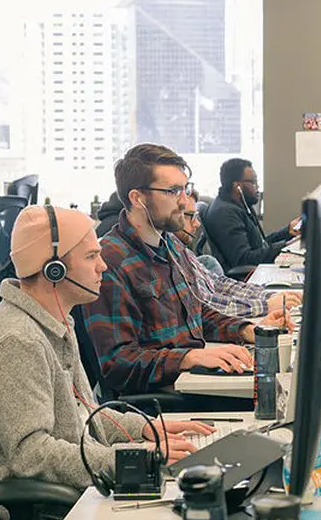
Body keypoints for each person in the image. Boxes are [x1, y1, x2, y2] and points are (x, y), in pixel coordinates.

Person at [0, 205, 211, 492]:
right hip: (51, 507)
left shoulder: (56, 319)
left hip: (84, 479)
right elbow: (31, 456)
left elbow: (84, 414)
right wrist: (135, 459)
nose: (103, 266)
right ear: (54, 270)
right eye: (91, 256)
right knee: (198, 501)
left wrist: (146, 428)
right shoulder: (17, 342)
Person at [84, 143, 291, 397]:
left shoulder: (170, 243)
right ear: (137, 199)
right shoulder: (110, 261)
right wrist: (189, 358)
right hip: (160, 399)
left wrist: (247, 330)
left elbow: (196, 314)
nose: (184, 201)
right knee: (274, 395)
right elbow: (118, 364)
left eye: (185, 189)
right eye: (173, 191)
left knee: (281, 376)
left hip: (188, 378)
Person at [205, 158, 300, 269]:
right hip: (246, 275)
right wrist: (286, 247)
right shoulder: (225, 214)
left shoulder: (240, 205)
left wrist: (288, 231)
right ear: (237, 187)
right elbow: (243, 259)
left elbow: (260, 244)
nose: (258, 187)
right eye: (254, 182)